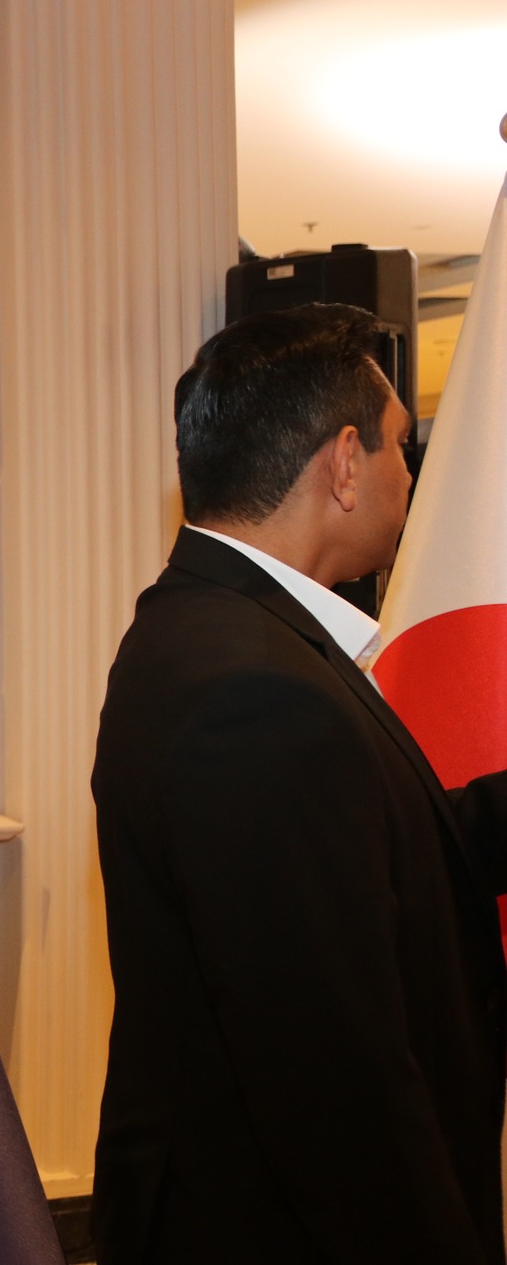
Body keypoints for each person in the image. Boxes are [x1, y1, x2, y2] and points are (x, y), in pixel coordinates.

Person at [92, 302, 507, 1264]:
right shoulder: (253, 688)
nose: (412, 471)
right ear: (346, 462)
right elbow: (339, 1085)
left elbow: (370, 853)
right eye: (401, 442)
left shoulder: (216, 629)